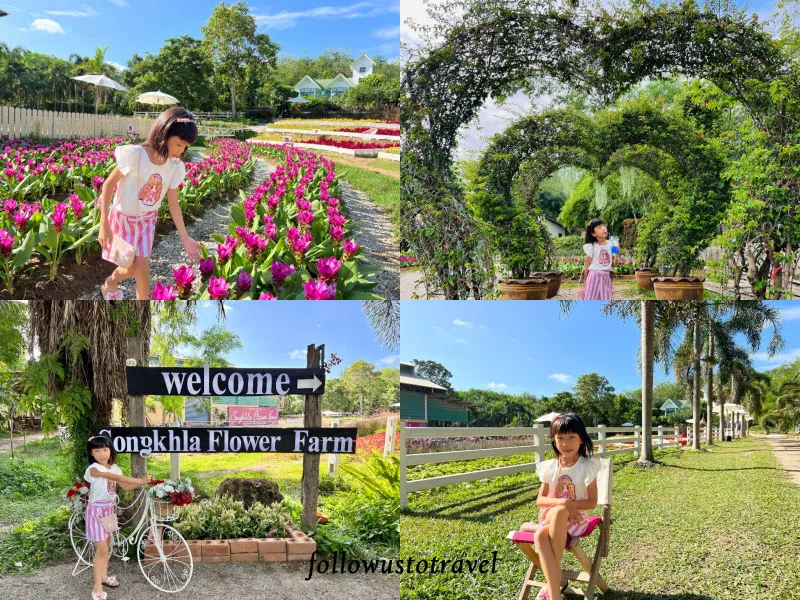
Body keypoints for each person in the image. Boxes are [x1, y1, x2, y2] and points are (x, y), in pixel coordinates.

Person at [98, 107, 202, 300]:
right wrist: (104, 225)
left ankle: (116, 288)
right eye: (179, 144)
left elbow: (173, 204)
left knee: (142, 269)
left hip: (147, 221)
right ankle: (111, 282)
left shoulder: (174, 166)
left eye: (185, 147)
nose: (181, 151)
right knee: (131, 267)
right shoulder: (136, 155)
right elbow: (108, 185)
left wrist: (185, 238)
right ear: (164, 132)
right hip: (124, 219)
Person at [520, 413, 601, 600]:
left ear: (582, 438)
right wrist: (563, 502)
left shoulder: (587, 466)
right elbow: (540, 500)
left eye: (572, 437)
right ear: (554, 441)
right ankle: (555, 588)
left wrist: (568, 506)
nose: (566, 443)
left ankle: (554, 589)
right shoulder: (550, 467)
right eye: (560, 438)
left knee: (541, 535)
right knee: (560, 508)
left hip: (576, 520)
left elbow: (592, 503)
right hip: (551, 516)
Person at [84, 435, 153, 600]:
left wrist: (143, 483)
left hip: (109, 510)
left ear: (110, 450)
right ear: (91, 453)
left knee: (107, 546)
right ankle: (96, 588)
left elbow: (125, 486)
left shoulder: (114, 468)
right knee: (101, 549)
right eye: (97, 450)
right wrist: (141, 479)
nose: (102, 454)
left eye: (105, 449)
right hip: (96, 511)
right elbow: (117, 479)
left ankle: (103, 576)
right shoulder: (93, 469)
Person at [581, 218, 617, 300]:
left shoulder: (612, 244)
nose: (604, 228)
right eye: (599, 227)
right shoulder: (592, 246)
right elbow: (588, 265)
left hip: (606, 278)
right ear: (593, 234)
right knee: (590, 299)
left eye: (603, 226)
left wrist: (617, 252)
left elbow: (614, 265)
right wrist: (585, 283)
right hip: (593, 278)